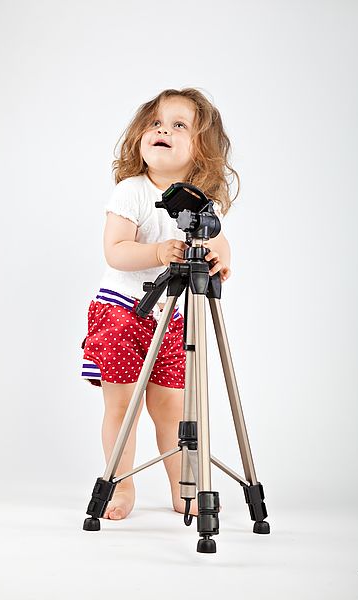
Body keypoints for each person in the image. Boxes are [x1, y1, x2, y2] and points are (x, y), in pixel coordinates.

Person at [80, 87, 239, 520]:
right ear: (140, 137)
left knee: (171, 410)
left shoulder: (199, 201)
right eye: (155, 123)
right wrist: (156, 253)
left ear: (201, 151)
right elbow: (115, 250)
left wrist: (220, 260)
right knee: (123, 407)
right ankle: (121, 484)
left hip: (171, 320)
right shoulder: (131, 191)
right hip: (122, 311)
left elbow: (219, 243)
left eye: (177, 125)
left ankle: (182, 486)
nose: (162, 130)